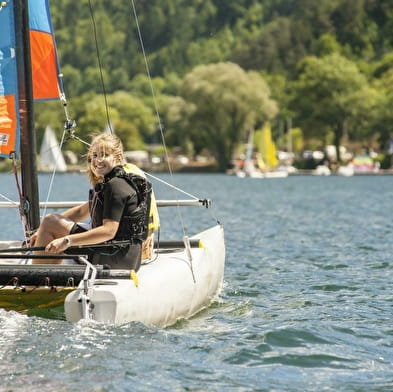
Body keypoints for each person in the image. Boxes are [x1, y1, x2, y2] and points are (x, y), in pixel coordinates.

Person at [31, 133, 154, 271]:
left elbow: (108, 231)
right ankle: (48, 280)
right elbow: (81, 211)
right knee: (50, 222)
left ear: (118, 157)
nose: (98, 160)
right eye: (94, 155)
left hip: (114, 258)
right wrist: (42, 230)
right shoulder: (113, 182)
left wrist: (67, 241)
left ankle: (34, 282)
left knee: (50, 221)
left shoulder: (116, 186)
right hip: (121, 255)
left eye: (104, 155)